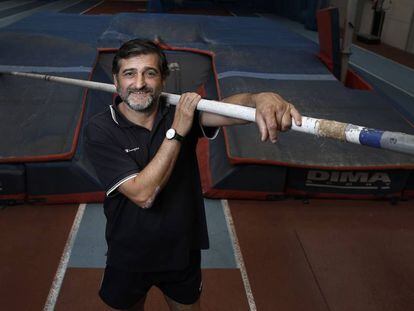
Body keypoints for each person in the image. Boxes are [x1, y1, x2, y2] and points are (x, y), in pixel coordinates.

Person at [84, 39, 302, 311]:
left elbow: (232, 110)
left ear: (163, 78)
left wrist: (260, 98)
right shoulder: (101, 129)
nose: (139, 83)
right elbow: (143, 194)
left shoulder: (179, 111)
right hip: (128, 253)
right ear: (116, 80)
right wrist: (177, 130)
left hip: (181, 252)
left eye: (149, 73)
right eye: (130, 73)